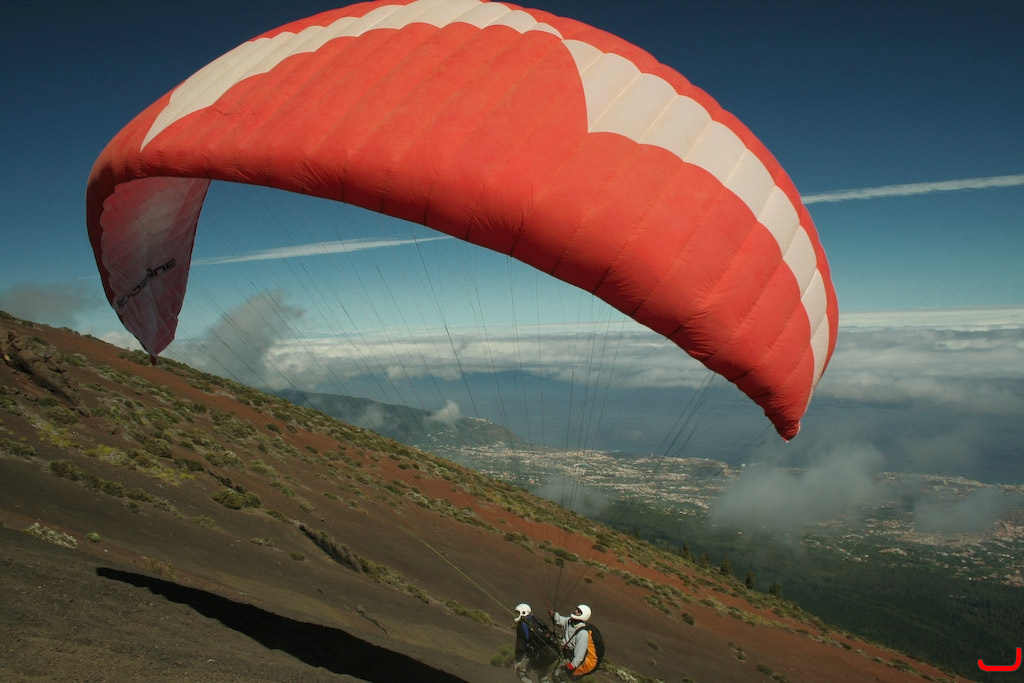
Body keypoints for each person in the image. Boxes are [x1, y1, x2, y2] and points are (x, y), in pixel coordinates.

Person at [549, 604, 598, 679]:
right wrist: (554, 615)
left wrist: (573, 664)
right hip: (562, 651)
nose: (575, 611)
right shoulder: (570, 621)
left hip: (569, 657)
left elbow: (580, 652)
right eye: (576, 609)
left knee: (558, 676)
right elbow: (561, 620)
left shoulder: (583, 633)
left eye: (579, 611)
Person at [513, 603, 556, 683]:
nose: (516, 615)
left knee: (521, 673)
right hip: (545, 653)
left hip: (533, 653)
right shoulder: (537, 619)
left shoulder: (522, 624)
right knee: (543, 676)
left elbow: (521, 643)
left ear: (523, 612)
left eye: (518, 613)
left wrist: (518, 659)